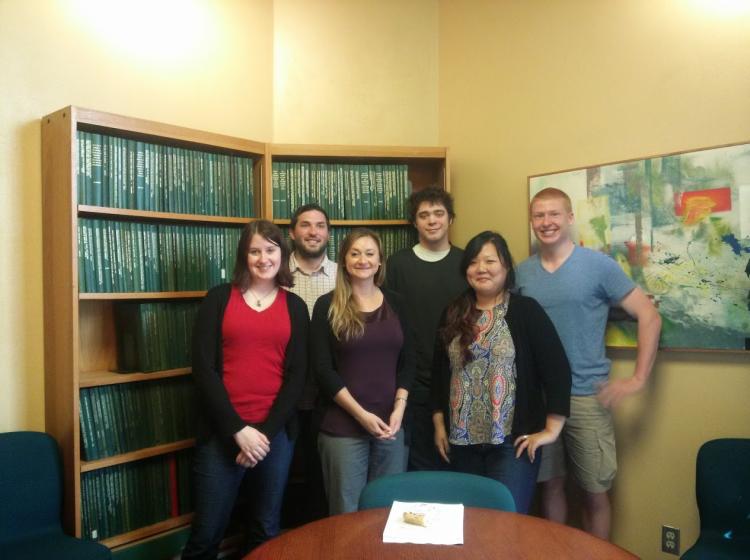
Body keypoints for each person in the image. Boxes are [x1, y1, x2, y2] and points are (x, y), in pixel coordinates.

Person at [516, 187, 661, 539]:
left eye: (554, 214)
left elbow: (649, 315)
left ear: (569, 218)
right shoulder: (521, 273)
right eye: (539, 215)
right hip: (541, 399)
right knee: (550, 488)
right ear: (532, 221)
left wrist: (638, 379)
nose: (546, 222)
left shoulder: (598, 266)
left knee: (595, 493)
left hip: (585, 396)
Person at [183, 220, 309, 559]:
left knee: (265, 531)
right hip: (222, 434)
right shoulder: (218, 298)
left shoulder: (295, 307)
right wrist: (239, 431)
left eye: (270, 250)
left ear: (282, 254)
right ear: (244, 255)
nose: (263, 258)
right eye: (255, 251)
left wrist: (262, 436)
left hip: (274, 436)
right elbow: (204, 370)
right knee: (207, 534)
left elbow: (296, 376)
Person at [432, 231, 571, 514]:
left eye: (490, 261)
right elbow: (439, 374)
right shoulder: (452, 313)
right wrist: (439, 426)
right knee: (468, 525)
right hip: (462, 443)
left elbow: (557, 371)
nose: (481, 268)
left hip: (511, 445)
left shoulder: (525, 311)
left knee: (505, 524)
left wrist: (550, 431)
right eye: (473, 262)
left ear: (506, 266)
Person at [311, 228, 415, 514]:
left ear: (380, 261)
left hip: (391, 427)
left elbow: (409, 362)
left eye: (369, 254)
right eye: (355, 253)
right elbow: (323, 370)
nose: (362, 260)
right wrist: (361, 415)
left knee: (388, 513)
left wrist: (399, 410)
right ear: (344, 260)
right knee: (347, 515)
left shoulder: (398, 303)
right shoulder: (326, 306)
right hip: (343, 430)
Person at [385, 186, 467, 471]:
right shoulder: (397, 264)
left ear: (450, 219)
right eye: (424, 215)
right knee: (418, 466)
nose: (432, 220)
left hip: (459, 380)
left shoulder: (466, 263)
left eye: (438, 213)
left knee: (455, 468)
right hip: (413, 383)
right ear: (414, 222)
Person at [286, 203, 337, 520]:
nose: (313, 232)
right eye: (305, 225)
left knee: (323, 474)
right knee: (285, 471)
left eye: (320, 225)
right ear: (292, 232)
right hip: (284, 391)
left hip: (329, 392)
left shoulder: (343, 275)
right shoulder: (275, 271)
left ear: (329, 233)